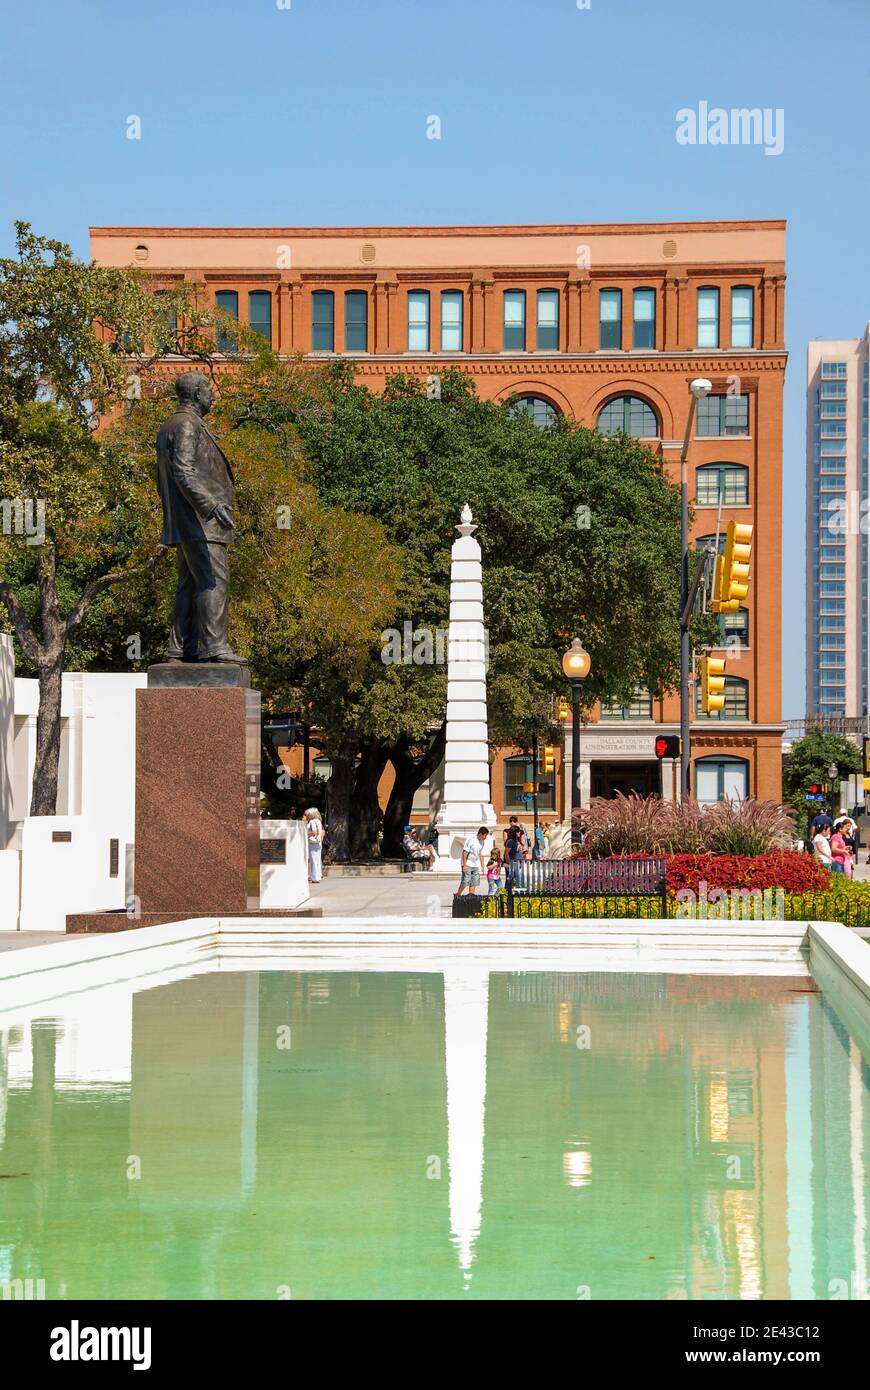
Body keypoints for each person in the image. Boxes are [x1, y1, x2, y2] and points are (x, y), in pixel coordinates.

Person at [458, 826, 493, 896]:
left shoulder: (482, 842)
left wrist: (482, 867)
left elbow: (480, 854)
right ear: (480, 834)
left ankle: (471, 897)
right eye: (485, 836)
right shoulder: (471, 840)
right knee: (465, 881)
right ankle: (458, 894)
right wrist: (464, 865)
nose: (485, 838)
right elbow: (465, 852)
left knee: (474, 881)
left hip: (475, 864)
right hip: (467, 863)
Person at [303, 806, 325, 883]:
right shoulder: (318, 821)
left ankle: (314, 877)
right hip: (318, 843)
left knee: (313, 861)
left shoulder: (312, 822)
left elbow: (314, 832)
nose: (306, 816)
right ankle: (317, 876)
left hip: (313, 843)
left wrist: (305, 833)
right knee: (317, 860)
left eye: (307, 814)